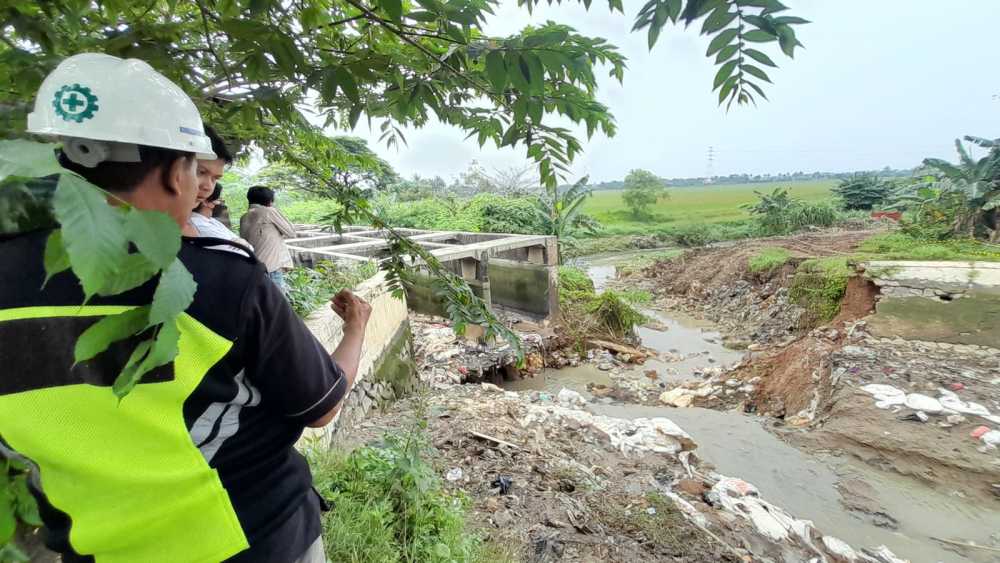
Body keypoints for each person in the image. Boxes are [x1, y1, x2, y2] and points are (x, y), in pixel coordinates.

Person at [0, 52, 370, 562]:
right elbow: (322, 405)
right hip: (249, 537)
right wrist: (356, 329)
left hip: (94, 547)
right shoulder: (218, 281)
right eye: (199, 171)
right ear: (178, 173)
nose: (203, 189)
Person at [240, 186, 296, 292]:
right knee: (277, 306)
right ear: (269, 201)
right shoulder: (268, 211)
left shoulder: (244, 217)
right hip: (271, 269)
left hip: (254, 269)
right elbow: (291, 232)